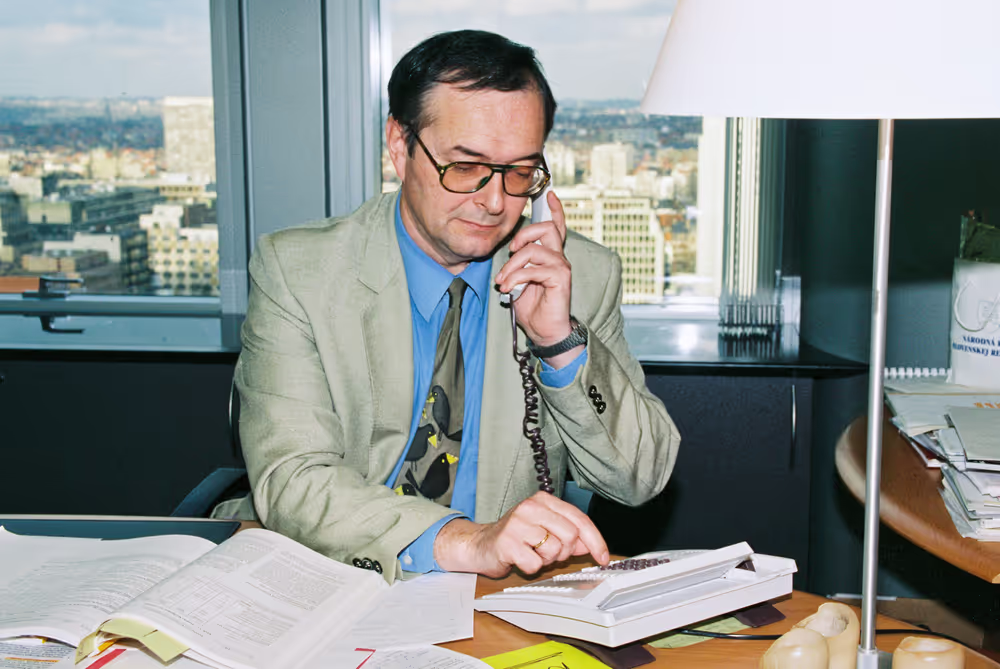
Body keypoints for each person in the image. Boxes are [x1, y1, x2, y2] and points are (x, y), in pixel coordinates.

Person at [234, 29, 680, 583]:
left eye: (520, 172)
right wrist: (462, 540)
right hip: (322, 571)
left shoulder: (576, 275)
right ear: (400, 145)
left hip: (492, 598)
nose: (495, 202)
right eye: (466, 167)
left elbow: (641, 479)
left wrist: (557, 341)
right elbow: (294, 477)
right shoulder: (298, 271)